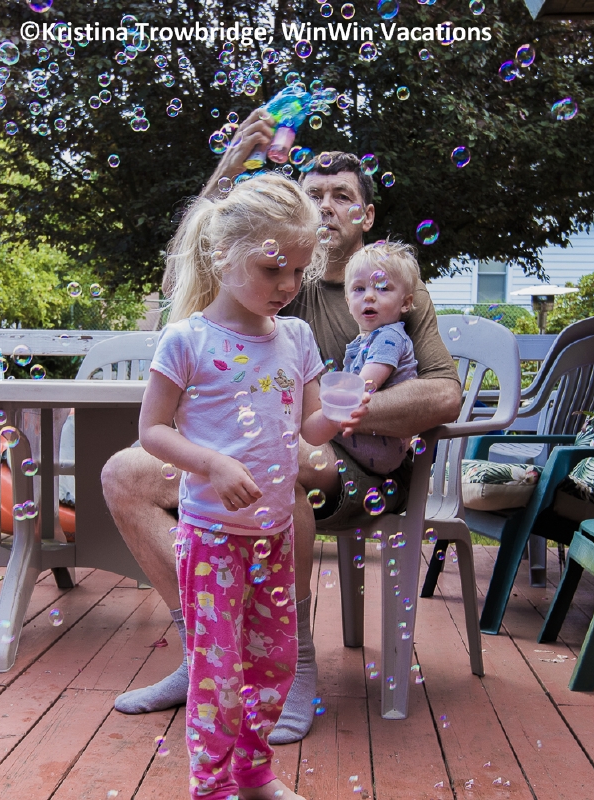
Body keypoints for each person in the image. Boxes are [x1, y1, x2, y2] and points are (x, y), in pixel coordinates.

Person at [102, 107, 461, 744]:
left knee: (282, 458)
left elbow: (444, 394)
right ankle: (201, 652)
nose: (325, 205)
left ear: (366, 216)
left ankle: (295, 664)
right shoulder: (264, 281)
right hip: (254, 448)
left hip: (356, 466)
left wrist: (343, 410)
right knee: (124, 474)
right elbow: (193, 264)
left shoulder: (390, 286)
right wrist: (231, 163)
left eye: (341, 195)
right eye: (312, 193)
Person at [140, 173, 368, 800]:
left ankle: (253, 773)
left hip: (273, 536)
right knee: (216, 676)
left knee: (272, 664)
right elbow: (152, 430)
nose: (289, 285)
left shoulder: (296, 337)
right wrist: (211, 464)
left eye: (299, 270)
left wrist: (339, 416)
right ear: (223, 256)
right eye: (274, 269)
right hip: (211, 539)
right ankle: (211, 786)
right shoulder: (188, 340)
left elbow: (310, 427)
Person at [332, 239, 419, 475]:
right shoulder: (364, 341)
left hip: (383, 445)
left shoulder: (389, 337)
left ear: (405, 303)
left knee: (308, 427)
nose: (369, 296)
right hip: (373, 439)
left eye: (382, 288)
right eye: (359, 289)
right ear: (348, 302)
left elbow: (364, 385)